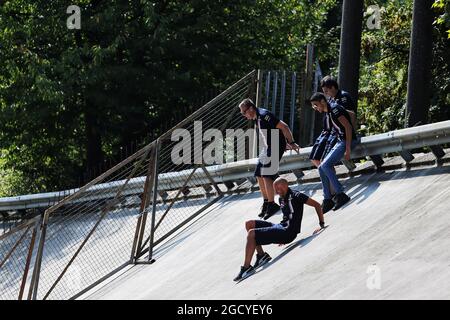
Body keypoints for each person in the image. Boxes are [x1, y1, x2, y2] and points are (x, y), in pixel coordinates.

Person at [233, 178, 326, 282]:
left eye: (279, 189)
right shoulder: (281, 199)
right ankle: (261, 256)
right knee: (249, 224)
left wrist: (321, 225)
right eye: (275, 190)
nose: (277, 192)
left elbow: (317, 205)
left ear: (285, 186)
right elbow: (285, 219)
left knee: (251, 234)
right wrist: (278, 234)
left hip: (288, 232)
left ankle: (246, 267)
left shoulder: (296, 195)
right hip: (280, 228)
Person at [239, 99, 299, 220]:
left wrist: (290, 142)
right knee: (258, 173)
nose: (244, 116)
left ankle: (272, 204)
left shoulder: (264, 115)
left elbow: (284, 126)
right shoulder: (256, 117)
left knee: (266, 174)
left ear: (250, 108)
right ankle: (266, 201)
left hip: (276, 145)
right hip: (269, 146)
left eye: (244, 113)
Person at [309, 92, 358, 214]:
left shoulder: (334, 109)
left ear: (322, 101)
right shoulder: (328, 110)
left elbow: (347, 127)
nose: (315, 108)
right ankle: (327, 199)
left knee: (325, 165)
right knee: (321, 167)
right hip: (340, 140)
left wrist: (347, 148)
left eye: (316, 105)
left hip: (347, 141)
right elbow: (348, 117)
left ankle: (340, 194)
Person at [309, 76, 357, 168]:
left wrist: (349, 135)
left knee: (325, 161)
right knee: (315, 158)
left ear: (333, 87)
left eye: (326, 91)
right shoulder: (331, 99)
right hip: (330, 131)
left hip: (339, 132)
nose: (326, 94)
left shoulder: (343, 96)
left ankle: (330, 179)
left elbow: (351, 116)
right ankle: (327, 177)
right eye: (324, 92)